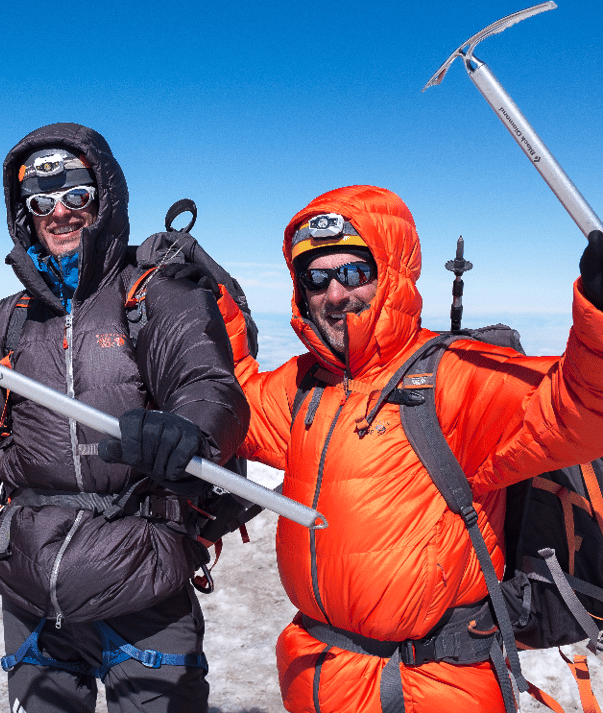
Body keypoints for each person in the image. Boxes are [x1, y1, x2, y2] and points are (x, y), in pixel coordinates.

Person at [0, 122, 250, 713]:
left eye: (75, 196)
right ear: (23, 214)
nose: (58, 213)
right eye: (40, 202)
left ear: (104, 199)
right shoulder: (5, 323)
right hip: (31, 590)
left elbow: (206, 385)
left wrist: (187, 434)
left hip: (143, 579)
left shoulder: (155, 296)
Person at [236, 184, 603, 712]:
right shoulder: (304, 387)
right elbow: (232, 412)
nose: (336, 294)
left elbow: (575, 410)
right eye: (316, 277)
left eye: (354, 272)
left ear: (391, 273)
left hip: (434, 686)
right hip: (319, 679)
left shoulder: (454, 377)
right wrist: (211, 304)